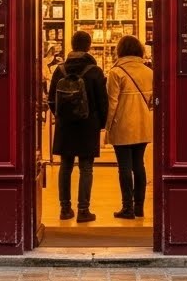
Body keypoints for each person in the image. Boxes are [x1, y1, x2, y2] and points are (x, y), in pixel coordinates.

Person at [46, 30, 107, 222]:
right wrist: (100, 124)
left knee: (65, 166)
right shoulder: (94, 71)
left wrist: (62, 117)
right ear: (89, 47)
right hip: (88, 125)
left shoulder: (60, 70)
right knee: (86, 168)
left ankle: (65, 209)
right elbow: (102, 101)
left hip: (65, 126)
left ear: (72, 46)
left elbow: (51, 100)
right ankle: (83, 210)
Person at [104, 35, 152, 219]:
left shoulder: (116, 72)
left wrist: (107, 128)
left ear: (120, 50)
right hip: (143, 124)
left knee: (124, 167)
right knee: (139, 165)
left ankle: (127, 207)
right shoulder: (149, 72)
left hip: (122, 124)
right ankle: (139, 206)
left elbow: (112, 103)